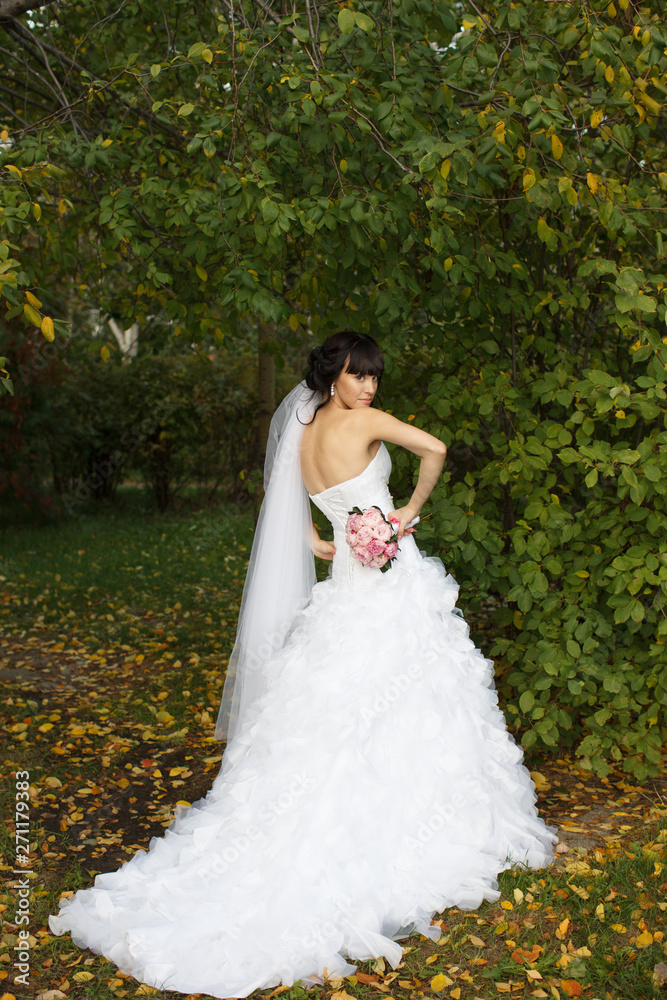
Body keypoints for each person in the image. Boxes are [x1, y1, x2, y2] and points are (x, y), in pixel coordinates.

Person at [48, 330, 558, 999]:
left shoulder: (302, 424)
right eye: (358, 376)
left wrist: (320, 536)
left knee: (339, 699)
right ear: (334, 375)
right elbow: (433, 449)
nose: (369, 388)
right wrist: (405, 511)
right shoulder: (364, 424)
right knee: (406, 694)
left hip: (346, 585)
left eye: (374, 377)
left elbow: (287, 500)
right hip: (384, 586)